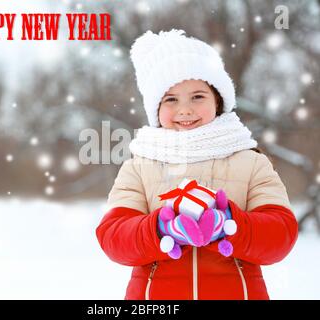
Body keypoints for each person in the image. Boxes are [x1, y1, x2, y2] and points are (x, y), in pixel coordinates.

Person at [96, 29, 298, 300]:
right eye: (171, 99)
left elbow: (281, 235)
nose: (185, 109)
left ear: (218, 100)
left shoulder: (251, 162)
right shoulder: (140, 165)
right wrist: (160, 230)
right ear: (156, 108)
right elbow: (113, 237)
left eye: (197, 96)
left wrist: (230, 225)